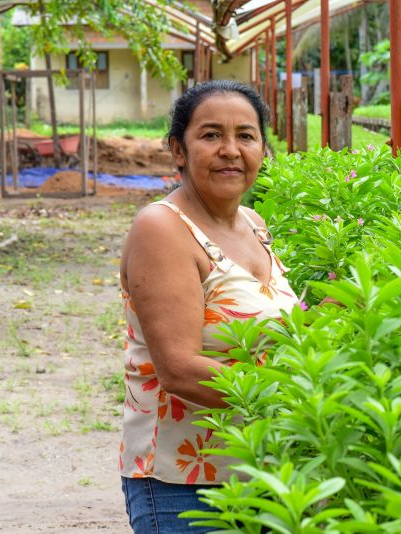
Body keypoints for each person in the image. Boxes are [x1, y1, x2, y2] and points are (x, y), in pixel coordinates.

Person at [118, 80, 299, 534]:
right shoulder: (161, 228)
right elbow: (178, 369)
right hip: (188, 487)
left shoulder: (254, 225)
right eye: (211, 135)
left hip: (260, 471)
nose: (231, 150)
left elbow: (269, 334)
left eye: (246, 135)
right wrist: (301, 396)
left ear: (263, 148)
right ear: (178, 150)